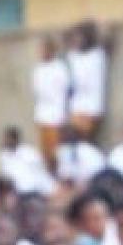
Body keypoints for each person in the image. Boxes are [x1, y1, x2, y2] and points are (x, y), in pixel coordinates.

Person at [66, 21, 107, 144]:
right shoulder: (73, 56)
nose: (78, 40)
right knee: (75, 139)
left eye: (81, 37)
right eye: (76, 37)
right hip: (77, 105)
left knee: (87, 140)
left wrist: (99, 28)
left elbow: (108, 40)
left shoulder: (98, 55)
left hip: (93, 106)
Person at [32, 36, 69, 170]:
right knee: (45, 153)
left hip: (56, 116)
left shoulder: (60, 68)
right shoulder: (38, 69)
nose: (41, 52)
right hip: (42, 115)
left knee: (57, 153)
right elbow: (37, 93)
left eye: (44, 49)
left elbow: (63, 92)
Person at [0, 127, 53, 197]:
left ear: (14, 139)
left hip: (35, 191)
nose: (4, 141)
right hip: (17, 194)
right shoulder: (3, 156)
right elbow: (6, 175)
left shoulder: (29, 152)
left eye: (6, 138)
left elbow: (41, 171)